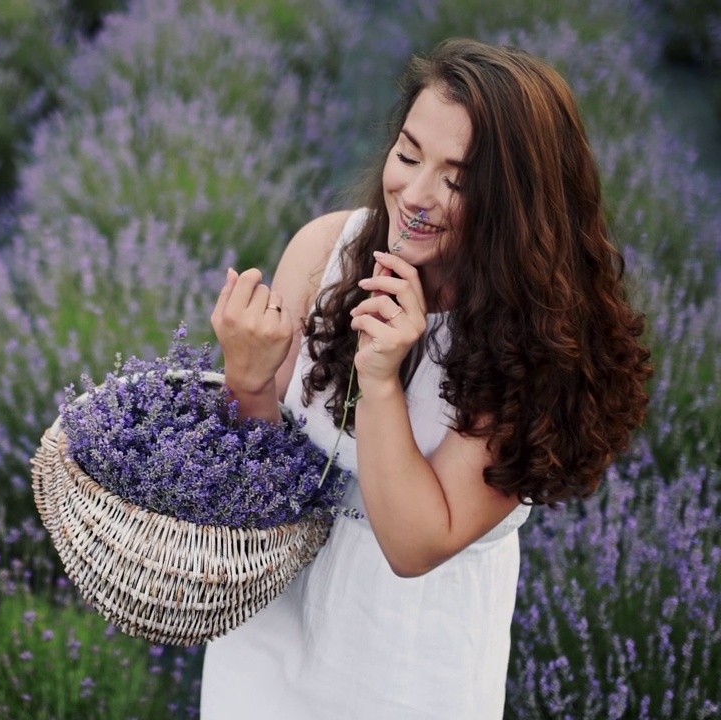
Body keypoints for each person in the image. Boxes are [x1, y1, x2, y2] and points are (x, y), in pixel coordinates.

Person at [201, 38, 653, 719]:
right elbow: (261, 477)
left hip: (408, 661)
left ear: (517, 201)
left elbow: (414, 545)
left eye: (457, 178)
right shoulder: (326, 249)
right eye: (408, 154)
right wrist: (249, 378)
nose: (414, 194)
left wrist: (381, 378)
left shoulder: (539, 339)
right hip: (271, 633)